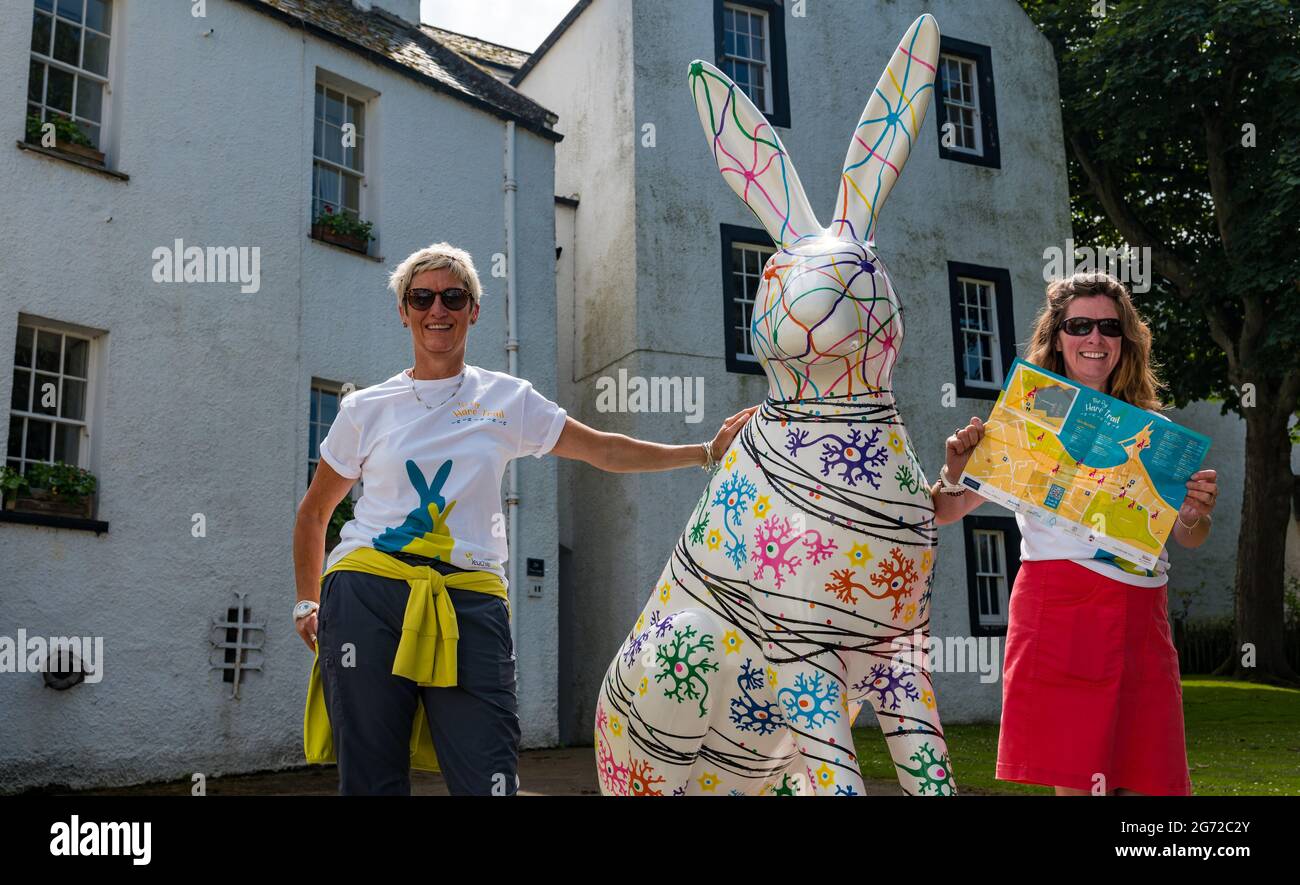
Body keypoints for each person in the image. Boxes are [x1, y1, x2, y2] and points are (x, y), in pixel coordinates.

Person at [292, 242, 758, 795]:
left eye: (452, 296)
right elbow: (315, 512)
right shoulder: (365, 408)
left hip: (471, 598)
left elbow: (604, 450)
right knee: (371, 779)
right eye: (421, 297)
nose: (436, 309)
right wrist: (308, 601)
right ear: (403, 311)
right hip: (367, 592)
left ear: (473, 309)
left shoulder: (507, 400)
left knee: (489, 774)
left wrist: (704, 452)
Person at [929, 272, 1218, 796]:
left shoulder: (1152, 429)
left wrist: (1194, 513)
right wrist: (955, 471)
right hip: (1060, 607)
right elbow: (944, 513)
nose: (1095, 338)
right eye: (1080, 325)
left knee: (1151, 785)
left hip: (1143, 616)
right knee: (1081, 785)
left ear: (1125, 340)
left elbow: (1188, 537)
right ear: (1057, 337)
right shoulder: (1027, 418)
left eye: (1109, 327)